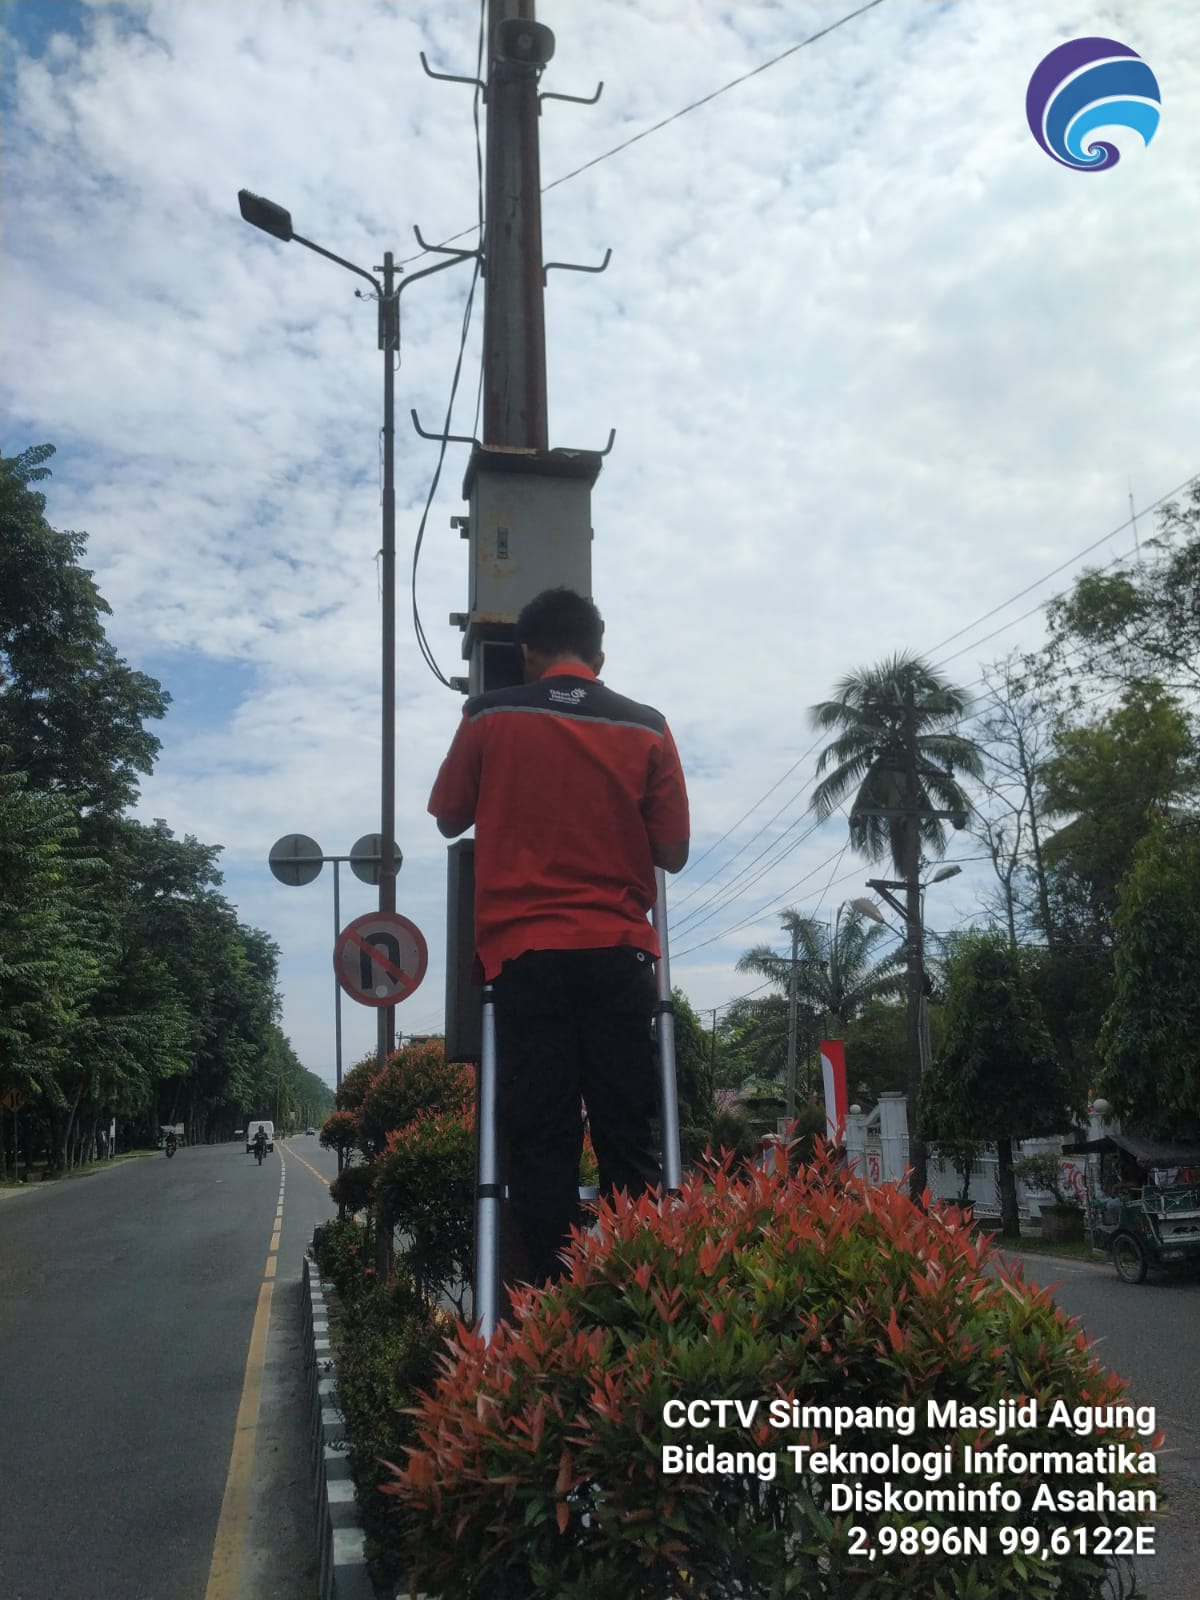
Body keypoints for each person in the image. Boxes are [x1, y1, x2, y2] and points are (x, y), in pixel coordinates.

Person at [428, 587, 690, 1288]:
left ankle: (550, 1296)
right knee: (627, 1139)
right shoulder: (648, 728)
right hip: (619, 956)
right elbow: (672, 851)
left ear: (527, 654)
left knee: (542, 1140)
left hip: (525, 958)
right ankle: (639, 1295)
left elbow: (448, 816)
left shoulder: (489, 715)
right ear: (599, 656)